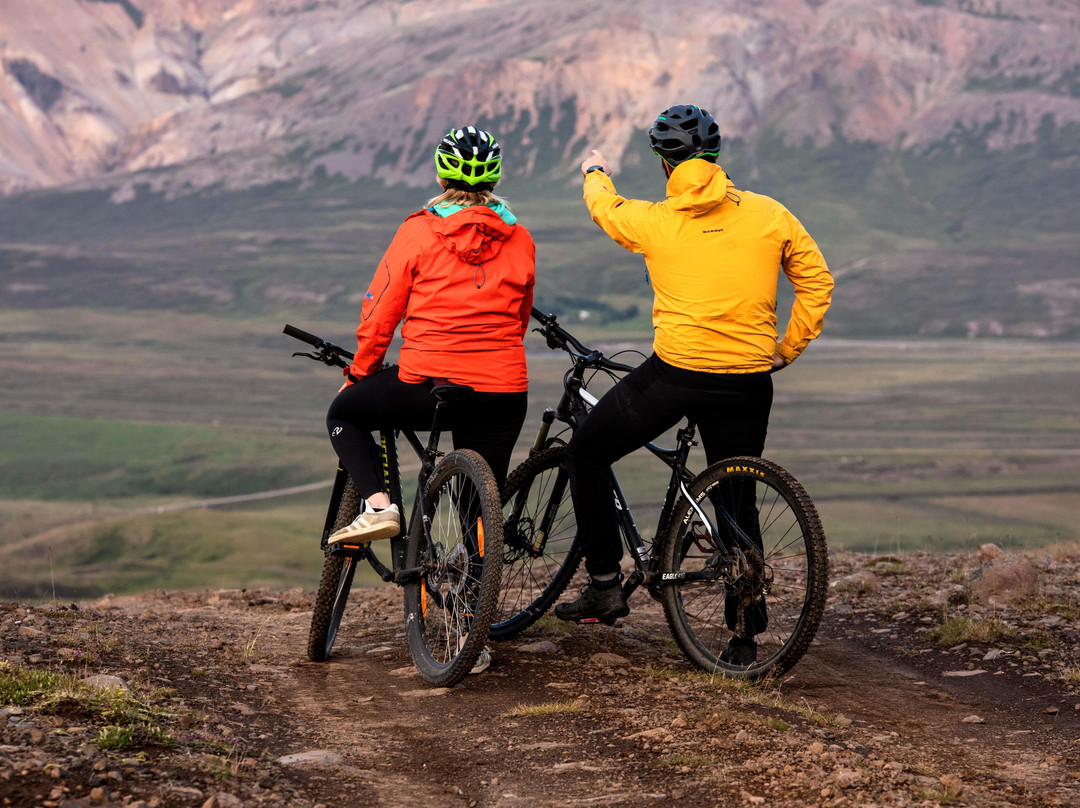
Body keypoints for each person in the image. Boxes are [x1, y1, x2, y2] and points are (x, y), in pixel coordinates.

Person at [554, 104, 833, 665]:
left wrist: (594, 171)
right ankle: (743, 637)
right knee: (738, 496)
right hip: (750, 379)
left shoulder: (655, 220)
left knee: (586, 451)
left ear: (665, 162)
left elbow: (607, 211)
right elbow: (817, 282)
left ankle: (606, 583)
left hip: (677, 376)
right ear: (716, 157)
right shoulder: (770, 214)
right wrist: (784, 349)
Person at [326, 125, 535, 552]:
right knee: (478, 509)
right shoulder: (522, 238)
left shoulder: (419, 232)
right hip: (504, 391)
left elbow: (381, 312)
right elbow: (520, 317)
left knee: (344, 414)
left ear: (442, 177)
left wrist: (360, 372)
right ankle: (477, 602)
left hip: (430, 386)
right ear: (494, 179)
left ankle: (380, 507)